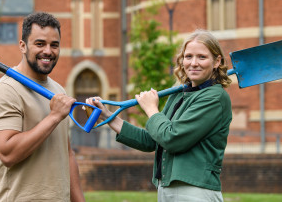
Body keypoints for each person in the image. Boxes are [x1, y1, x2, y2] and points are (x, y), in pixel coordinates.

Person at [86, 29, 232, 202]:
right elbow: (152, 140)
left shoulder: (215, 97)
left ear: (216, 62)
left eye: (202, 57)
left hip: (195, 190)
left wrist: (151, 109)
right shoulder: (179, 94)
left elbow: (173, 138)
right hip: (166, 188)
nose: (193, 63)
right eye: (188, 56)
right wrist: (108, 116)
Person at [0, 11, 85, 201]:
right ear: (23, 46)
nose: (48, 51)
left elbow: (67, 154)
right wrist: (54, 117)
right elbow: (7, 153)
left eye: (54, 45)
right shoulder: (6, 90)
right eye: (40, 44)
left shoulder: (58, 91)